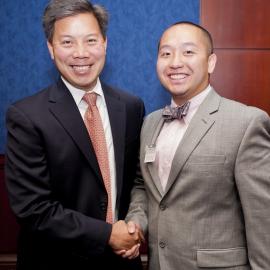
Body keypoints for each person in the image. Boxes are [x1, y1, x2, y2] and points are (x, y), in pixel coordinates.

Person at [5, 0, 145, 269]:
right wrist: (107, 235)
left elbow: (136, 182)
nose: (81, 53)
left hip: (122, 261)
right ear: (51, 49)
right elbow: (33, 209)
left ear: (105, 43)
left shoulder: (130, 106)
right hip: (55, 260)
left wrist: (133, 228)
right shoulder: (26, 116)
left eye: (91, 40)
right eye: (67, 42)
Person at [125, 21, 270, 269]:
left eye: (188, 52)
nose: (175, 62)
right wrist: (136, 221)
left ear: (211, 62)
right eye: (166, 53)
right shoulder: (150, 123)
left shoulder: (246, 122)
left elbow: (263, 218)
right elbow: (143, 185)